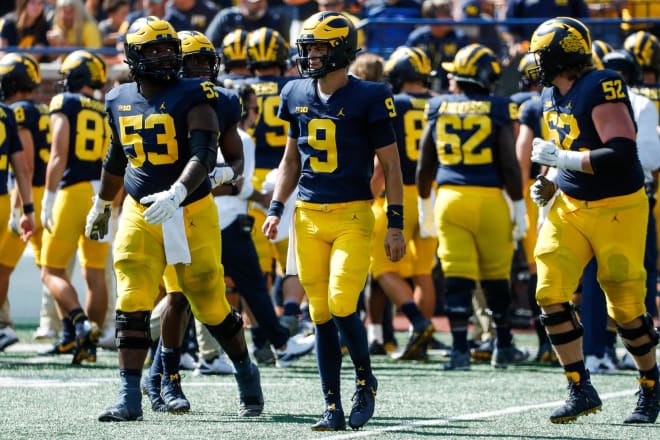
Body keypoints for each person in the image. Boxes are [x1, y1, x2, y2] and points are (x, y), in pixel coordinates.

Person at [86, 16, 263, 422]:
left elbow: (204, 151)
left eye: (169, 48)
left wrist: (179, 191)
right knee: (132, 295)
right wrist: (101, 203)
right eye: (154, 50)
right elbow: (116, 157)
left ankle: (245, 372)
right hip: (139, 208)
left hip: (191, 209)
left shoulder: (195, 93)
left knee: (208, 301)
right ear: (134, 56)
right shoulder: (117, 98)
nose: (165, 55)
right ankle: (129, 395)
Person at [262, 11, 406, 431]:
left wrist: (394, 223)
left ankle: (365, 379)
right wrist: (276, 207)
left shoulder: (371, 96)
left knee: (344, 303)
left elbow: (391, 166)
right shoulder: (294, 92)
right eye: (308, 47)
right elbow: (291, 159)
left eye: (320, 47)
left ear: (341, 50)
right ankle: (331, 406)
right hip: (307, 215)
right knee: (320, 312)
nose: (310, 55)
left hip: (353, 214)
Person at [527, 17, 659, 424]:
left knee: (625, 307)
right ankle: (579, 386)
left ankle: (651, 387)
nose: (535, 63)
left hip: (618, 206)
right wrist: (549, 180)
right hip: (571, 204)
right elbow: (565, 148)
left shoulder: (602, 83)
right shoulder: (552, 93)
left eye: (542, 54)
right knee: (549, 290)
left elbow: (620, 151)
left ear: (562, 55)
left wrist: (559, 160)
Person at [416, 43, 529, 371]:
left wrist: (425, 202)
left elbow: (425, 162)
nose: (449, 77)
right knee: (496, 277)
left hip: (451, 200)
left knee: (457, 276)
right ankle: (503, 344)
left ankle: (460, 350)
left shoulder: (438, 105)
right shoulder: (498, 107)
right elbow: (509, 164)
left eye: (454, 72)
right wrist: (518, 205)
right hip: (490, 199)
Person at [580, 49, 660, 375]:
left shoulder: (580, 97)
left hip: (585, 196)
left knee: (594, 277)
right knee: (640, 273)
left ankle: (595, 352)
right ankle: (635, 349)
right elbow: (652, 160)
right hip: (629, 197)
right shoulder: (640, 103)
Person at [40, 50, 109, 365]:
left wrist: (48, 197)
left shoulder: (64, 102)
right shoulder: (107, 109)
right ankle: (88, 345)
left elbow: (59, 153)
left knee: (50, 270)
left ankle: (80, 324)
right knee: (94, 274)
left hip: (74, 192)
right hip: (102, 193)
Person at [370, 46, 437, 361]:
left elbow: (385, 161)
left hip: (400, 193)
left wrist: (370, 192)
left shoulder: (393, 103)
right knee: (424, 271)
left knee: (381, 266)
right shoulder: (439, 103)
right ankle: (420, 340)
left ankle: (417, 321)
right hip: (432, 194)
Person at [0, 53, 48, 350]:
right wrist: (25, 207)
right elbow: (21, 165)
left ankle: (4, 326)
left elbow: (24, 164)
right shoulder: (9, 113)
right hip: (10, 198)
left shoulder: (14, 111)